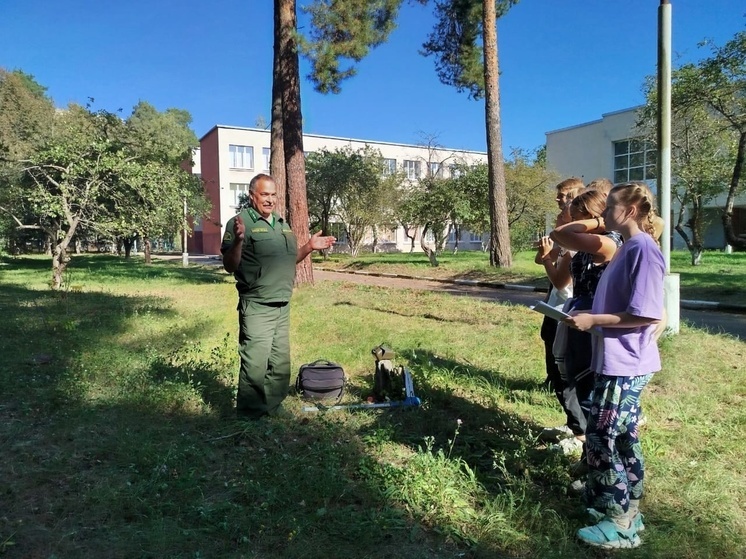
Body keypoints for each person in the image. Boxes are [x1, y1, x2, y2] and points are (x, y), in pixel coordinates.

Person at [565, 182, 664, 549]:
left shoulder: (643, 250)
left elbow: (645, 314)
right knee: (623, 435)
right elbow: (622, 302)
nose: (603, 215)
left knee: (600, 437)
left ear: (630, 211)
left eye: (609, 209)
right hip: (617, 358)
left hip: (627, 362)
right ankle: (627, 509)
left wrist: (595, 321)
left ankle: (619, 521)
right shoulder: (628, 249)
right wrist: (588, 312)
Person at [221, 173, 336, 419]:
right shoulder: (240, 223)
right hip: (257, 305)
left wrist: (308, 247)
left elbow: (287, 260)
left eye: (273, 195)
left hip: (282, 304)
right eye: (265, 194)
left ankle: (272, 408)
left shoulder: (282, 224)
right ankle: (250, 417)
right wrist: (239, 241)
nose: (270, 200)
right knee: (255, 365)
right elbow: (230, 266)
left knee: (280, 364)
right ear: (252, 195)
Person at [549, 189, 622, 454]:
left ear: (593, 216)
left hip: (596, 321)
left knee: (592, 390)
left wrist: (600, 222)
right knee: (578, 383)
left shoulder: (609, 241)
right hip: (578, 316)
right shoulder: (583, 248)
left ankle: (597, 455)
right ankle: (589, 451)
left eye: (579, 215)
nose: (574, 221)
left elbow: (560, 232)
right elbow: (561, 281)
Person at [535, 178, 584, 441]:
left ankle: (579, 433)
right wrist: (548, 249)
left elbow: (559, 280)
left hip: (565, 310)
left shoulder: (578, 241)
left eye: (564, 198)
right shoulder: (563, 233)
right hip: (555, 306)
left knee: (564, 373)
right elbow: (542, 257)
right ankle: (575, 425)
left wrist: (546, 256)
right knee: (558, 372)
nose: (558, 202)